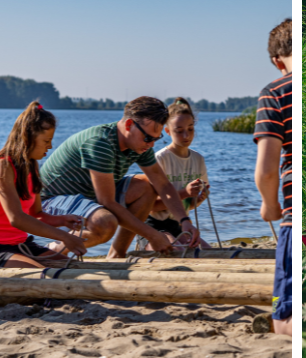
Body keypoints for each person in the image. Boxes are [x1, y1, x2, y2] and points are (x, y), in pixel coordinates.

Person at [39, 96, 200, 259]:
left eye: (156, 139)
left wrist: (184, 221)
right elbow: (107, 202)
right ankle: (52, 252)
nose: (151, 144)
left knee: (146, 187)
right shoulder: (100, 143)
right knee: (105, 223)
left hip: (87, 197)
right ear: (129, 125)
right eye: (148, 138)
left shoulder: (139, 145)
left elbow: (163, 185)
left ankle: (117, 254)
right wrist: (152, 235)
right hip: (51, 201)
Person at [0, 102, 86, 268]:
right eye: (46, 141)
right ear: (28, 138)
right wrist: (64, 237)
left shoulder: (31, 165)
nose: (50, 146)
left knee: (75, 269)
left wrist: (62, 220)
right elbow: (17, 219)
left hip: (22, 245)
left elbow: (36, 215)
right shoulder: (2, 165)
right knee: (48, 278)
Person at [254, 18, 292, 336]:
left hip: (294, 215)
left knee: (281, 319)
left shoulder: (275, 92)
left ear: (277, 61)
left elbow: (267, 169)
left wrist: (270, 205)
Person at [145, 97, 212, 249]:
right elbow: (150, 206)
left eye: (190, 129)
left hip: (180, 224)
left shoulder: (198, 159)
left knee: (207, 251)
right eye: (179, 131)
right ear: (167, 131)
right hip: (155, 225)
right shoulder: (160, 158)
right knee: (175, 250)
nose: (186, 136)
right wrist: (185, 193)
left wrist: (199, 198)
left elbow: (191, 205)